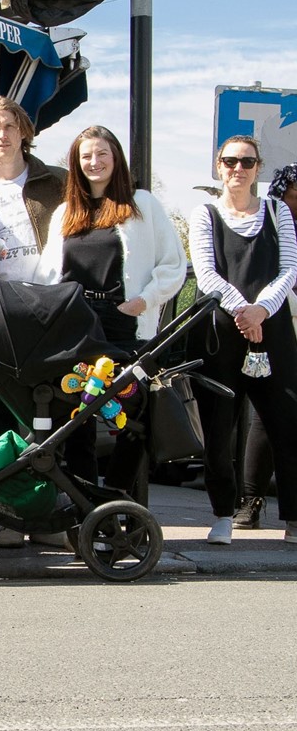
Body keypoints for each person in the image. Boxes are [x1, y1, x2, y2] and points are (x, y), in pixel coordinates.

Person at [34, 125, 185, 489]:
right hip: (75, 326)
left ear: (116, 158)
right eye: (86, 156)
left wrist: (143, 301)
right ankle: (87, 504)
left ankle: (115, 498)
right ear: (76, 163)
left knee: (134, 418)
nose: (94, 162)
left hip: (123, 324)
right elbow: (48, 272)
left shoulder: (141, 204)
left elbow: (173, 264)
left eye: (102, 153)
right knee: (76, 418)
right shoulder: (67, 212)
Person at [0, 98, 67, 537]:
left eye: (8, 126)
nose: (1, 135)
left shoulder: (57, 182)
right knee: (2, 424)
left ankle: (51, 514)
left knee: (50, 418)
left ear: (24, 131)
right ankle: (15, 516)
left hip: (46, 311)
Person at [188, 136, 297, 546]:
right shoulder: (205, 214)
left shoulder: (277, 210)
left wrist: (261, 311)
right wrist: (242, 312)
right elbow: (207, 273)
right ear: (218, 166)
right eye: (230, 161)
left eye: (247, 162)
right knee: (219, 426)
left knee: (287, 421)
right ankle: (222, 514)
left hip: (273, 329)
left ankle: (293, 518)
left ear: (258, 167)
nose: (238, 168)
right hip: (221, 333)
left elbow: (289, 269)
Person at [234, 161, 297, 529]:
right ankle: (250, 501)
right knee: (269, 415)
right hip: (269, 322)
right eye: (294, 194)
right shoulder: (271, 222)